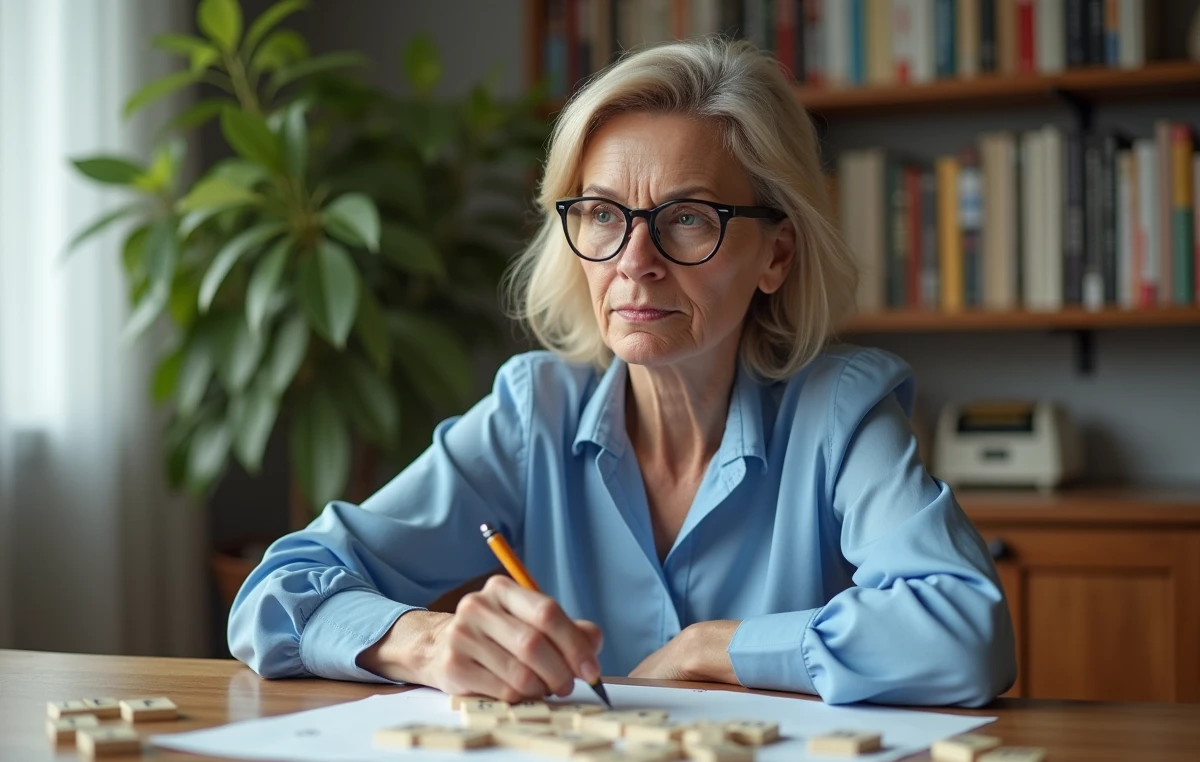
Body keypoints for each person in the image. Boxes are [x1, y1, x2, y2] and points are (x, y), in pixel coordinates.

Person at [228, 37, 1016, 708]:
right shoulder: (532, 412)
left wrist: (714, 648)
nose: (635, 263)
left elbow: (968, 632)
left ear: (776, 254)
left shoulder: (838, 413)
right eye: (604, 214)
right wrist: (426, 642)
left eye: (688, 218)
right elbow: (276, 592)